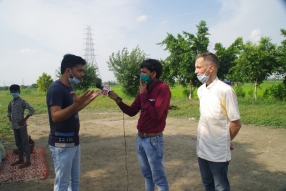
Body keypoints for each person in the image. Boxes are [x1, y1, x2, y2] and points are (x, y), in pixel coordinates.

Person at [108, 58, 171, 191]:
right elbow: (132, 111)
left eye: (144, 72)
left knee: (159, 178)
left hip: (153, 140)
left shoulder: (163, 89)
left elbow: (156, 115)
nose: (141, 75)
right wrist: (117, 100)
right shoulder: (144, 89)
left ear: (153, 74)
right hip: (141, 139)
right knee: (147, 176)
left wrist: (143, 95)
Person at [46, 54, 101, 191]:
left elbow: (72, 110)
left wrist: (86, 102)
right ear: (68, 71)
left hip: (73, 142)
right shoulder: (56, 89)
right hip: (62, 143)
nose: (82, 74)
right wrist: (75, 106)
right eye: (79, 70)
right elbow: (56, 116)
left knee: (74, 180)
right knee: (63, 183)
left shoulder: (69, 87)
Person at [194, 53, 242, 191]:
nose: (195, 71)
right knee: (207, 184)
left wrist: (226, 140)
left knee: (220, 187)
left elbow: (236, 123)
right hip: (202, 149)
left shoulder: (225, 91)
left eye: (198, 67)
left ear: (210, 68)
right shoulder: (201, 90)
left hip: (218, 153)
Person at [7, 84, 35, 169]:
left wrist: (25, 119)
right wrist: (9, 116)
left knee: (25, 143)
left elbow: (32, 109)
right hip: (14, 126)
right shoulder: (11, 102)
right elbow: (9, 110)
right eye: (12, 92)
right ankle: (20, 159)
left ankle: (28, 161)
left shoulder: (22, 101)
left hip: (22, 126)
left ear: (19, 92)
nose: (14, 93)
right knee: (18, 143)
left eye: (15, 92)